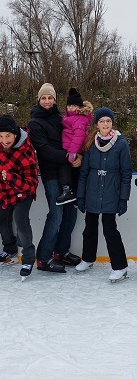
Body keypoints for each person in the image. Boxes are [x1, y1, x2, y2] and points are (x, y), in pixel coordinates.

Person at [28, 83, 82, 273]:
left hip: (67, 174)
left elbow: (75, 138)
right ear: (39, 100)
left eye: (50, 98)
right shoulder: (35, 123)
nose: (47, 101)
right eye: (44, 98)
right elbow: (44, 150)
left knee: (71, 213)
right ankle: (43, 257)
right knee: (56, 214)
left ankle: (61, 251)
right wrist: (69, 156)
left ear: (55, 100)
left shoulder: (62, 119)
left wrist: (79, 156)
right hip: (51, 174)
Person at [75, 107, 132, 282]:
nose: (105, 124)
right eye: (102, 121)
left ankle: (120, 267)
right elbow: (84, 172)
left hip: (111, 193)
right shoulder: (91, 142)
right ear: (97, 124)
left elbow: (126, 173)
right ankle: (88, 258)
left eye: (108, 121)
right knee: (89, 227)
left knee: (110, 229)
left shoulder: (121, 144)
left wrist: (123, 198)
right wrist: (81, 196)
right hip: (92, 191)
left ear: (112, 123)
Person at [0, 114, 38, 280]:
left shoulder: (26, 153)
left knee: (21, 221)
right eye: (1, 136)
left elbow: (31, 184)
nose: (4, 140)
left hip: (22, 194)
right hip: (4, 192)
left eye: (8, 136)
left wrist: (11, 177)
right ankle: (10, 248)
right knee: (0, 221)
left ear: (16, 135)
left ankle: (28, 257)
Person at [56, 87, 93, 205]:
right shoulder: (67, 118)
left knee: (66, 166)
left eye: (74, 106)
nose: (71, 108)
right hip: (70, 149)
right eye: (69, 105)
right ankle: (75, 193)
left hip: (74, 150)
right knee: (72, 171)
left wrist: (72, 152)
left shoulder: (79, 119)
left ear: (79, 107)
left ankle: (68, 190)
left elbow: (78, 136)